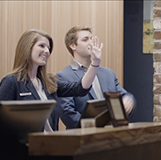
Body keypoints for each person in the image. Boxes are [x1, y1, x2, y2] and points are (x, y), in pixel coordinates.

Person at [0, 29, 102, 159]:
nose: (47, 51)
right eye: (41, 46)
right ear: (27, 47)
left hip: (52, 149)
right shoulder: (12, 81)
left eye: (48, 48)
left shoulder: (49, 82)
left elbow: (80, 88)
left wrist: (95, 63)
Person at [57, 25, 136, 129]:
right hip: (83, 138)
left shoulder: (108, 73)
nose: (91, 43)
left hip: (112, 135)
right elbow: (67, 113)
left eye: (91, 38)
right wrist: (93, 127)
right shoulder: (63, 76)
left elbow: (124, 95)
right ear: (73, 46)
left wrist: (128, 100)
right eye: (85, 39)